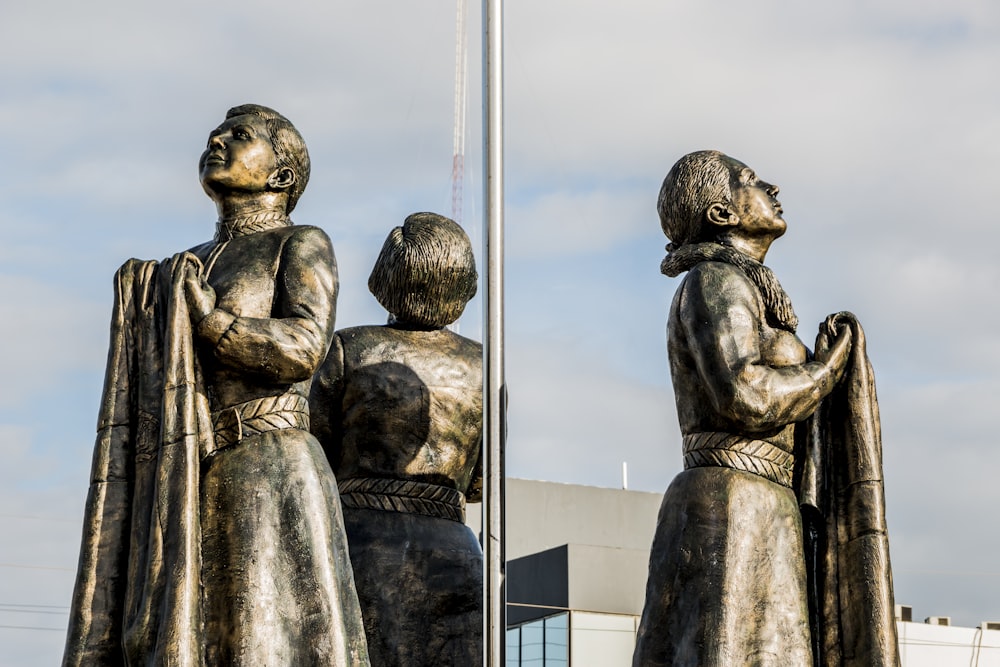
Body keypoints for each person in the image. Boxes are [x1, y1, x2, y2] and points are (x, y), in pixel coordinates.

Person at [63, 104, 369, 666]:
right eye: (218, 131)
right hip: (188, 476)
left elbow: (305, 347)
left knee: (261, 641)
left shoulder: (299, 242)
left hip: (268, 464)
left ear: (281, 175)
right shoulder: (183, 265)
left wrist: (214, 324)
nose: (217, 138)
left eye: (240, 134)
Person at [633, 151, 898, 666]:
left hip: (763, 501)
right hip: (733, 502)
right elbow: (747, 394)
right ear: (721, 214)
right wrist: (828, 370)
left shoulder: (748, 287)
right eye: (750, 181)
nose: (772, 187)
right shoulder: (715, 281)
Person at [310, 212, 483, 666]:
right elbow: (482, 482)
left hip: (363, 540)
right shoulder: (485, 366)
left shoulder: (349, 348)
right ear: (463, 284)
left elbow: (315, 448)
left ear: (384, 277)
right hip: (455, 549)